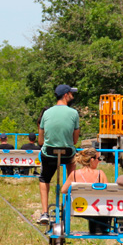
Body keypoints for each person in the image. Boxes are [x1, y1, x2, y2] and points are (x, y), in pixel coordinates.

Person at [37, 84, 80, 225]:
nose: (73, 96)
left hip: (49, 154)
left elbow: (40, 140)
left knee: (44, 178)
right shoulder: (74, 113)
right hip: (67, 154)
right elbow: (74, 140)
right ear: (66, 95)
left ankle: (44, 212)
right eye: (72, 94)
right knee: (72, 164)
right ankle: (70, 202)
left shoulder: (46, 113)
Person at [60, 148, 108, 234]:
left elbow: (63, 190)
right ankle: (101, 229)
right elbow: (107, 191)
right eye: (98, 159)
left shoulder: (74, 174)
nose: (99, 161)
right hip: (96, 208)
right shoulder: (100, 174)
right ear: (92, 160)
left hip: (77, 208)